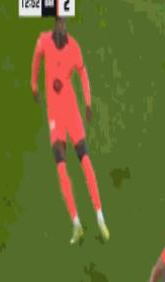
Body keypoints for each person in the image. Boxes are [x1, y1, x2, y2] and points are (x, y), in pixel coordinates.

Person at [31, 17, 109, 244]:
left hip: (71, 111)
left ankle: (100, 217)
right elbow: (36, 59)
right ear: (55, 24)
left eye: (65, 23)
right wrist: (33, 85)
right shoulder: (44, 41)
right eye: (59, 23)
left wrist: (88, 102)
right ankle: (76, 224)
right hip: (55, 115)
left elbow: (83, 73)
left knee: (85, 158)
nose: (62, 27)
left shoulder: (74, 47)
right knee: (61, 163)